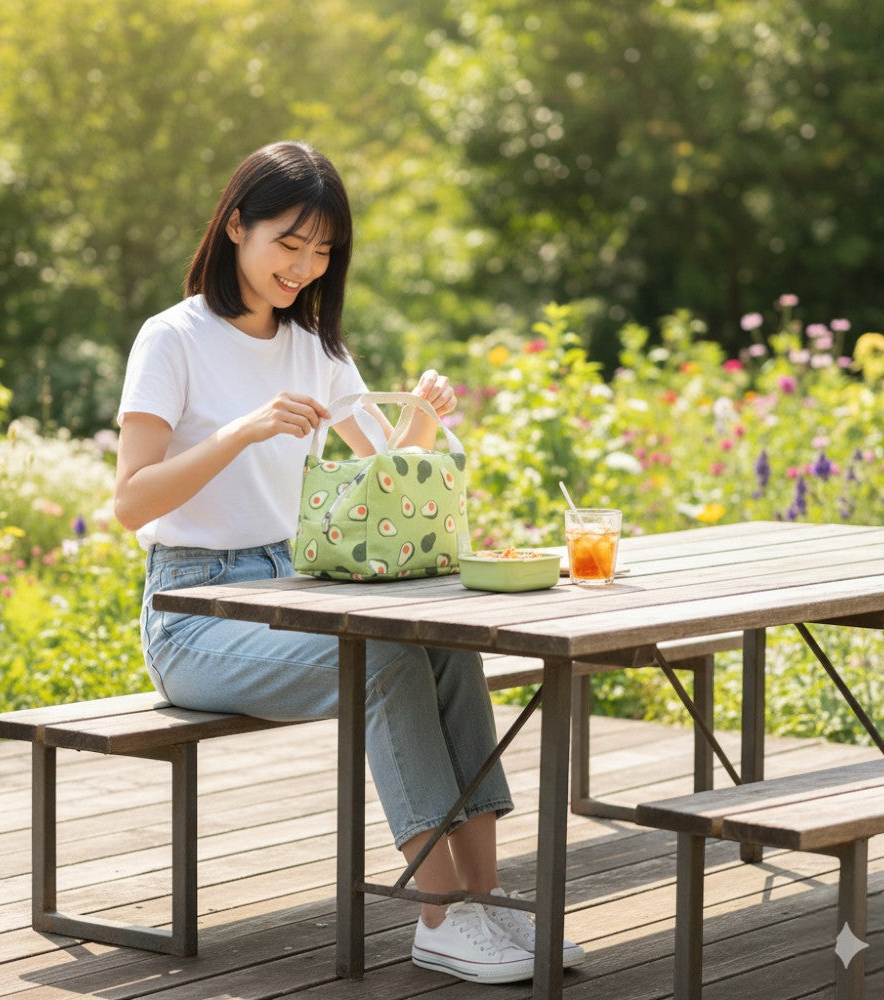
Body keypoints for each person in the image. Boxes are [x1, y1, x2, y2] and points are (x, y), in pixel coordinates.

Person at [114, 140, 584, 984]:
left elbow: (382, 485)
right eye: (288, 244)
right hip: (193, 614)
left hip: (296, 588)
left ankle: (489, 906)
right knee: (384, 660)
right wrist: (243, 430)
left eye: (322, 251)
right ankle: (438, 915)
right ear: (235, 227)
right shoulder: (172, 339)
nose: (303, 268)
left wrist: (423, 421)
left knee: (447, 649)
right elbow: (130, 502)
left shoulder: (315, 348)